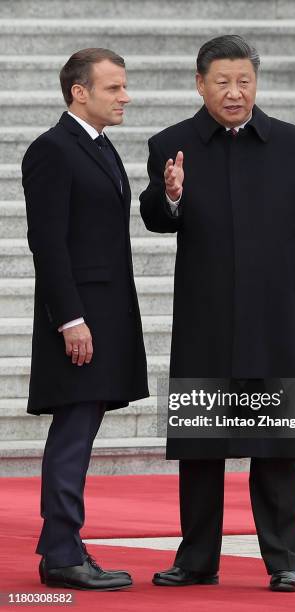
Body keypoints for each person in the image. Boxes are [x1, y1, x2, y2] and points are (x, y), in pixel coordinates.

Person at [140, 35, 295, 592]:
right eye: (222, 82)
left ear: (256, 82)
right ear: (199, 83)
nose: (234, 92)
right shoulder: (171, 144)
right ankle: (196, 560)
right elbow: (155, 215)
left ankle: (283, 561)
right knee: (201, 447)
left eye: (244, 81)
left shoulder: (292, 143)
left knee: (275, 448)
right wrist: (171, 193)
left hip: (271, 318)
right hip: (205, 318)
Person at [22, 48, 149, 590]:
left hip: (105, 315)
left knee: (82, 429)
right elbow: (47, 243)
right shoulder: (53, 150)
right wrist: (70, 318)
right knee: (73, 433)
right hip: (77, 320)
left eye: (124, 87)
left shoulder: (101, 148)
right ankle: (59, 553)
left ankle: (66, 546)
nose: (125, 97)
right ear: (80, 91)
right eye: (114, 88)